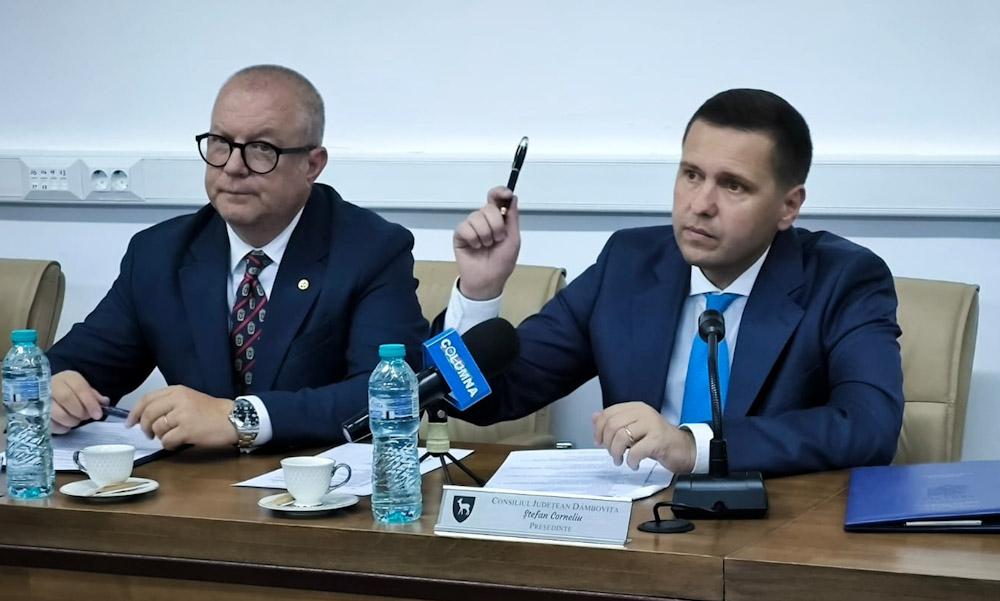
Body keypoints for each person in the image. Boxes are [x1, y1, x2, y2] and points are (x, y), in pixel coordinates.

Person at [446, 89, 904, 477]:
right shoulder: (628, 264)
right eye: (691, 175)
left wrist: (693, 446)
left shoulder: (843, 279)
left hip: (775, 531)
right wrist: (479, 292)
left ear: (789, 206)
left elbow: (869, 428)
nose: (700, 204)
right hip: (639, 526)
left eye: (733, 186)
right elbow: (485, 402)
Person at [47, 65, 427, 451]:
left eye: (261, 148)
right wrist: (57, 392)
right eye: (220, 143)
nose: (232, 166)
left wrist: (242, 418)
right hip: (193, 482)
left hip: (320, 479)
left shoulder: (371, 249)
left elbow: (388, 395)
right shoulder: (159, 254)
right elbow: (70, 366)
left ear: (311, 165)